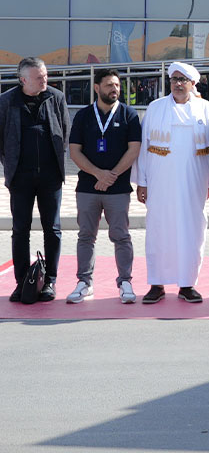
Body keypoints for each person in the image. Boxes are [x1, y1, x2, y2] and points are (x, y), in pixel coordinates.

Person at [134, 61, 209, 304]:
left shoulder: (205, 108)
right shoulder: (155, 107)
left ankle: (187, 284)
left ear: (193, 83)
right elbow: (145, 147)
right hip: (160, 184)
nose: (178, 84)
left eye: (183, 80)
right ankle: (157, 284)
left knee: (192, 231)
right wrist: (142, 181)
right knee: (159, 231)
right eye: (174, 80)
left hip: (194, 183)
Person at [65, 68, 141, 305]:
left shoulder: (129, 114)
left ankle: (125, 282)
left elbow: (134, 148)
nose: (114, 89)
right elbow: (74, 151)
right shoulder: (83, 116)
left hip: (118, 189)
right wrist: (98, 174)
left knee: (121, 236)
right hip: (88, 187)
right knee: (86, 236)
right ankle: (84, 283)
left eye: (117, 85)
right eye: (109, 85)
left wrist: (113, 175)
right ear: (97, 88)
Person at [0, 57, 69, 302]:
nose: (45, 80)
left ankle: (49, 280)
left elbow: (63, 131)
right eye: (39, 77)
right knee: (20, 231)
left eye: (46, 76)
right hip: (21, 178)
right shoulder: (6, 102)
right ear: (23, 80)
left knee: (53, 229)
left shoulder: (55, 97)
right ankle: (22, 283)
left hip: (50, 177)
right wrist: (11, 167)